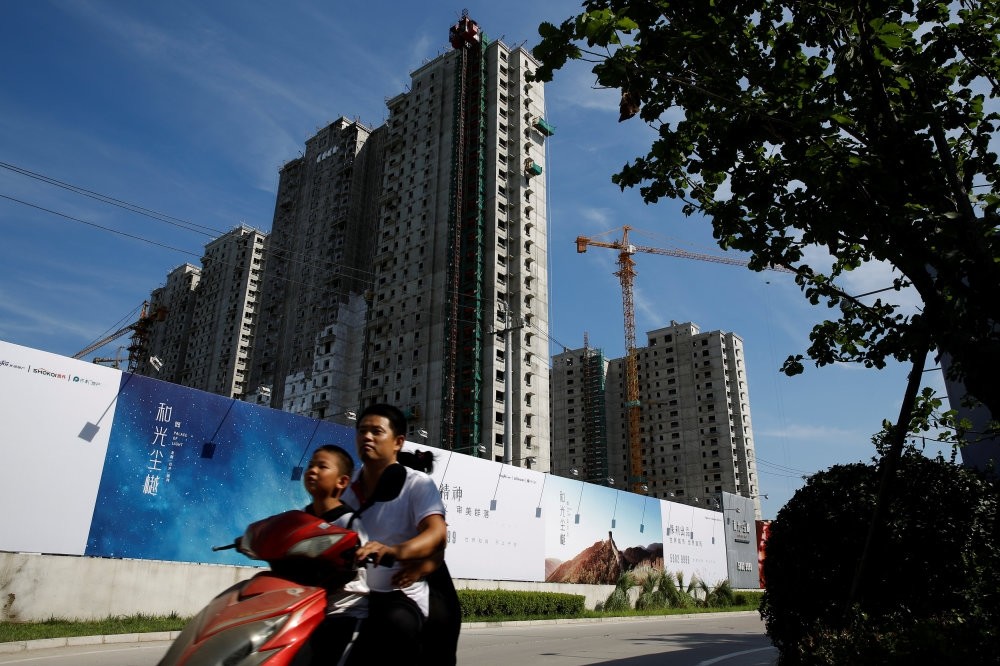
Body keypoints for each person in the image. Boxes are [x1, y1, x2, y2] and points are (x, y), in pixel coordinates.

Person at [341, 404, 448, 663]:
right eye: (362, 430)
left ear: (398, 442)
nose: (367, 436)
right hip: (350, 595)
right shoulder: (347, 485)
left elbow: (436, 533)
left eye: (376, 431)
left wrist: (393, 551)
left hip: (398, 595)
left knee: (395, 629)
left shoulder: (416, 484)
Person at [297, 444, 369, 666]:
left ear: (342, 482)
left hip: (344, 612)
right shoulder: (301, 519)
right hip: (306, 608)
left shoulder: (350, 522)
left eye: (322, 466)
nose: (313, 470)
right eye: (310, 465)